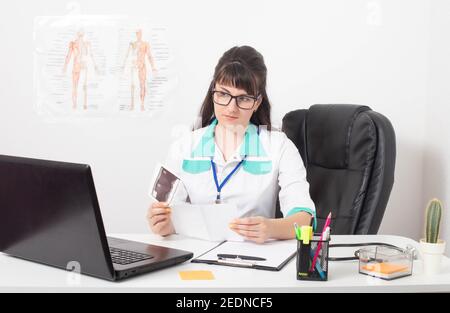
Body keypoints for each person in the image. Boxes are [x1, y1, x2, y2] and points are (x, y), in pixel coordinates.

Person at [147, 46, 316, 244]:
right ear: (214, 93)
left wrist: (270, 228)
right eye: (224, 94)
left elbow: (305, 221)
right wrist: (163, 225)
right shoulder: (183, 147)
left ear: (257, 102)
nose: (231, 107)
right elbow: (170, 214)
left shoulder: (279, 147)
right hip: (196, 259)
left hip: (252, 258)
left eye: (243, 98)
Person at [122, 29, 157, 111]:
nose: (139, 35)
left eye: (140, 33)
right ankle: (132, 104)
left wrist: (153, 67)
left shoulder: (145, 44)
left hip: (142, 66)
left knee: (142, 85)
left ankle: (142, 104)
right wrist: (123, 66)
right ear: (136, 34)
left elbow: (149, 56)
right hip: (134, 66)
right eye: (137, 33)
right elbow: (127, 55)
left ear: (142, 34)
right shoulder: (132, 44)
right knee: (132, 84)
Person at [63, 30, 98, 110]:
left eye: (81, 34)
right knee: (75, 86)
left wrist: (95, 66)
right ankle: (75, 105)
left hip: (82, 66)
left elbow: (91, 55)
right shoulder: (73, 44)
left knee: (83, 86)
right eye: (80, 34)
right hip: (78, 66)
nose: (80, 35)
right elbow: (68, 56)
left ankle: (82, 105)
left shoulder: (86, 44)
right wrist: (65, 66)